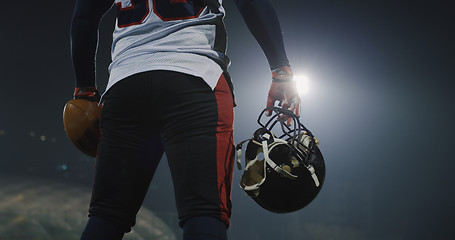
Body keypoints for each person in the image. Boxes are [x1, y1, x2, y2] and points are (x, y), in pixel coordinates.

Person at [70, 0, 300, 239]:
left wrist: (85, 90)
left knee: (107, 215)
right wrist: (280, 70)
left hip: (126, 82)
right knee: (204, 211)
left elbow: (84, 15)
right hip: (195, 74)